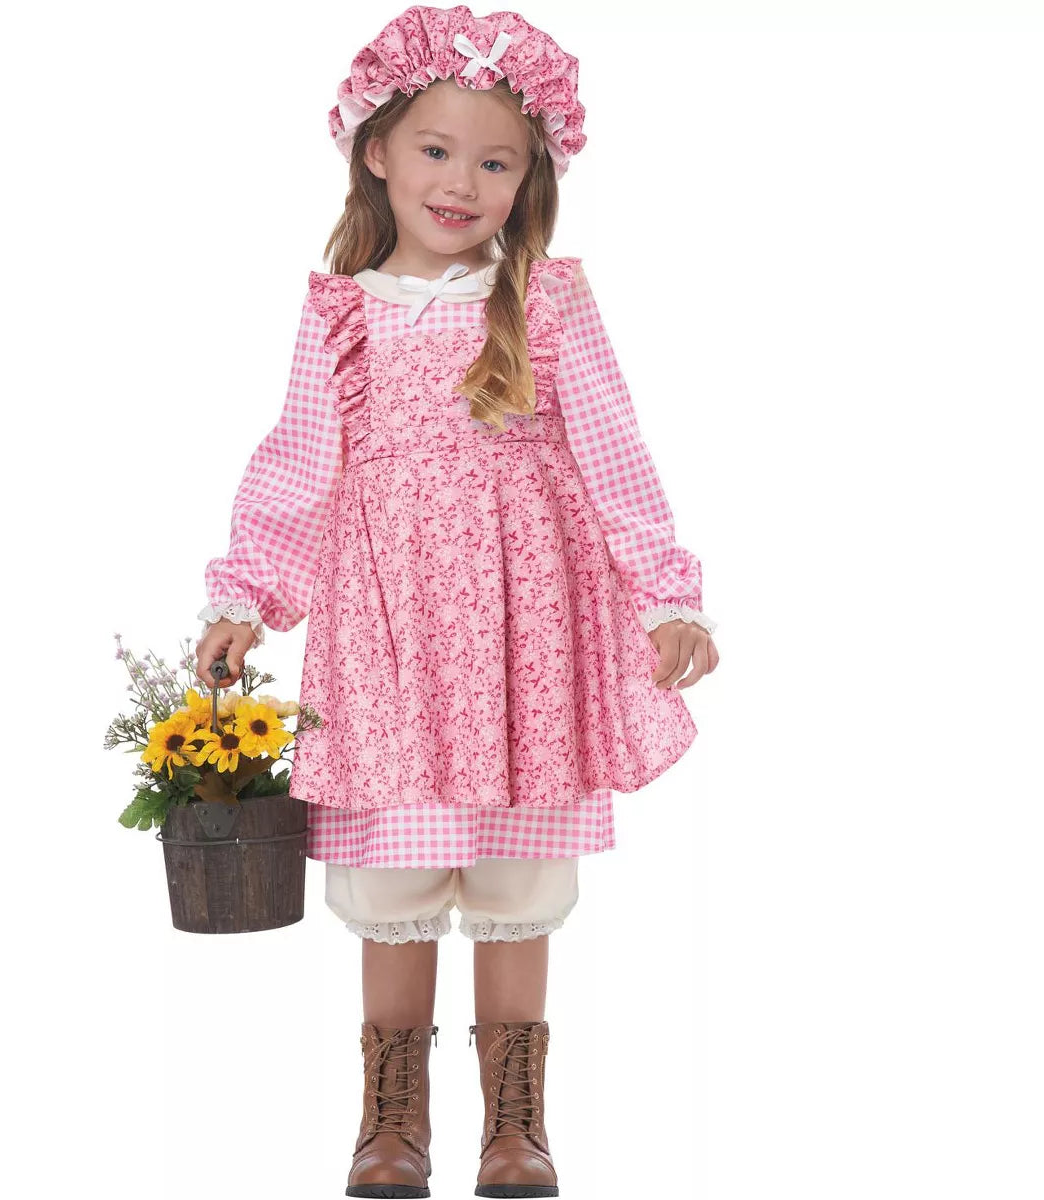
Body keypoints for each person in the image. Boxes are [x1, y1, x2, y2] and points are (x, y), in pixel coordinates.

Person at [194, 6, 720, 1195]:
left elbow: (614, 455)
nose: (461, 182)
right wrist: (249, 594)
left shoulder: (543, 299)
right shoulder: (343, 313)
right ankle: (392, 1120)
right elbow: (298, 464)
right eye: (436, 150)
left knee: (516, 880)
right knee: (393, 872)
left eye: (495, 162)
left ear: (528, 179)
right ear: (377, 150)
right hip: (385, 643)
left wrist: (666, 599)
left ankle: (515, 1121)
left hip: (522, 644)